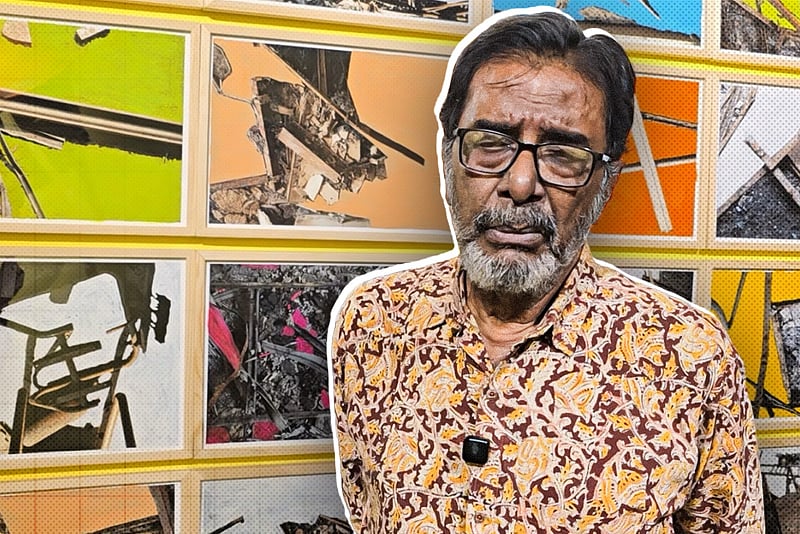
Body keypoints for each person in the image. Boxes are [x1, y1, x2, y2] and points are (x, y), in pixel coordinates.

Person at [327, 7, 764, 533]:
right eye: (490, 143)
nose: (520, 185)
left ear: (605, 182)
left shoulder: (688, 355)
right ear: (447, 157)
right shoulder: (371, 320)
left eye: (562, 154)